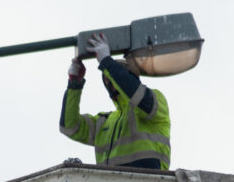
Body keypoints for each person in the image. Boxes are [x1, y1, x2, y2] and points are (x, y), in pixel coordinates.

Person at [59, 33, 171, 170]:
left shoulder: (155, 101)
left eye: (113, 77)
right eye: (107, 79)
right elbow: (69, 127)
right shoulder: (104, 122)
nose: (110, 82)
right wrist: (74, 85)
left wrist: (107, 62)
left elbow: (137, 96)